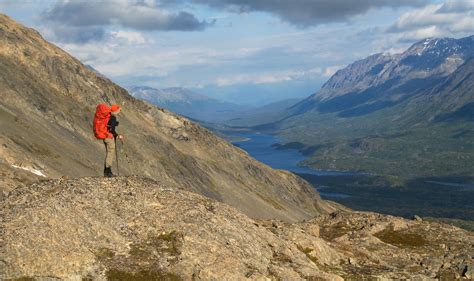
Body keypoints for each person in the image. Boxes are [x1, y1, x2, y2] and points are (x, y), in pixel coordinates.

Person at [103, 104, 123, 177]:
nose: (119, 112)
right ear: (116, 110)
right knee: (110, 153)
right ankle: (108, 172)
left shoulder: (108, 116)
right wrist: (118, 136)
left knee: (109, 153)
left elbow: (109, 127)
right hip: (109, 137)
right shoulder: (113, 118)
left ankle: (107, 171)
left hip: (105, 136)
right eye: (119, 110)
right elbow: (112, 130)